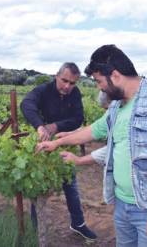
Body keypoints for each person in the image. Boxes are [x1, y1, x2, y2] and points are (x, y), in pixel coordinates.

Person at [36, 44, 147, 247]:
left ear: (115, 75)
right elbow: (93, 130)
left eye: (99, 81)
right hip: (122, 205)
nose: (99, 87)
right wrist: (56, 142)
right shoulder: (117, 106)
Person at [20, 62, 97, 241]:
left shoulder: (75, 94)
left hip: (64, 144)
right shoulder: (43, 90)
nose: (67, 86)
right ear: (56, 76)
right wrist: (40, 126)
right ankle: (35, 228)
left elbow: (78, 119)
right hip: (41, 145)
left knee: (70, 185)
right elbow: (26, 104)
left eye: (72, 83)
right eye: (64, 81)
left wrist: (55, 126)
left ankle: (78, 223)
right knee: (37, 186)